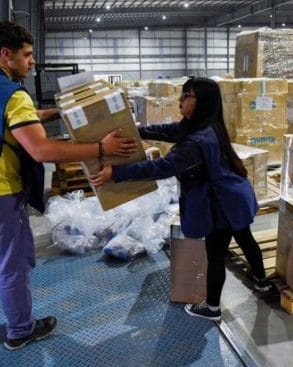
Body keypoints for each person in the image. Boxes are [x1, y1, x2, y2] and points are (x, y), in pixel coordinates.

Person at [0, 21, 137, 361]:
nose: (33, 61)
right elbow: (41, 151)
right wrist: (101, 147)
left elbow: (8, 117)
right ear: (7, 55)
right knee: (12, 264)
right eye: (27, 55)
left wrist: (59, 113)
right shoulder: (14, 95)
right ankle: (20, 330)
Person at [90, 77, 270, 322]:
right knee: (244, 237)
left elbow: (160, 168)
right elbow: (168, 131)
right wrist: (134, 133)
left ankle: (213, 308)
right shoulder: (202, 126)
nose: (180, 100)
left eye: (187, 96)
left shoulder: (197, 141)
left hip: (223, 204)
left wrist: (116, 173)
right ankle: (261, 281)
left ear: (202, 102)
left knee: (216, 252)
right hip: (233, 195)